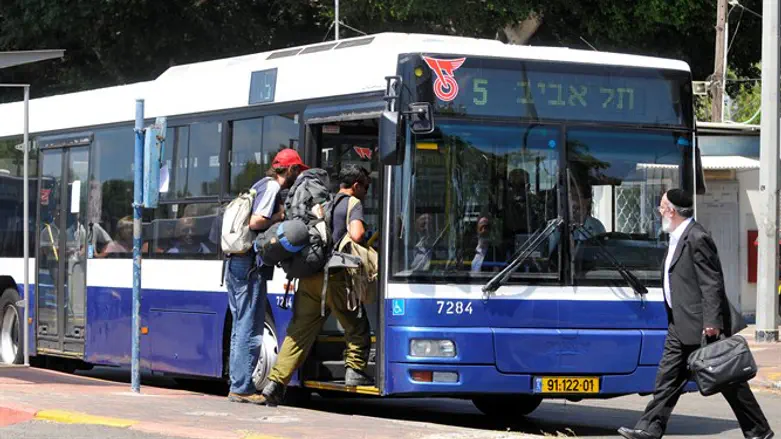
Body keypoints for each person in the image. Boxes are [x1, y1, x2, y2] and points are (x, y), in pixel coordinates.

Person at [618, 189, 773, 439]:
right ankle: (649, 428)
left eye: (661, 206)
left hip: (702, 326)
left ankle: (759, 431)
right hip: (679, 324)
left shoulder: (696, 237)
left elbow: (712, 282)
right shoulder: (678, 237)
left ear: (672, 211)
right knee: (667, 379)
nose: (659, 211)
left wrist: (712, 322)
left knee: (730, 380)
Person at [260, 164, 373, 405]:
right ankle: (355, 372)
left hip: (311, 277)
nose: (366, 192)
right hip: (338, 277)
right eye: (366, 187)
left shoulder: (325, 202)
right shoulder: (352, 203)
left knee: (298, 332)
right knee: (357, 325)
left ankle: (276, 382)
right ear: (356, 186)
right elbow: (356, 234)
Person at [226, 148, 306, 404]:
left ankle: (239, 383)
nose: (298, 176)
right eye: (297, 171)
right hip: (248, 263)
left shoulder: (260, 183)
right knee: (250, 326)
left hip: (236, 262)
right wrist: (281, 216)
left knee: (241, 325)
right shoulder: (271, 187)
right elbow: (255, 222)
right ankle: (242, 387)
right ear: (291, 170)